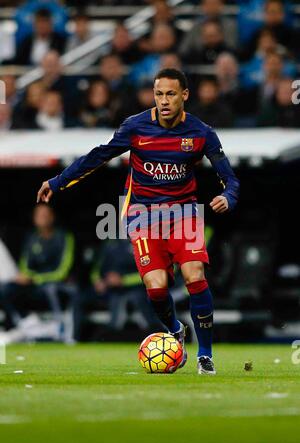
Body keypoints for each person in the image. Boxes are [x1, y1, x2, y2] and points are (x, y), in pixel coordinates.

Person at [37, 68, 240, 375]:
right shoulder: (136, 127)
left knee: (195, 274)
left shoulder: (201, 133)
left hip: (183, 215)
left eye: (171, 94)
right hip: (142, 216)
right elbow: (98, 157)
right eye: (159, 94)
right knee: (156, 288)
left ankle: (205, 355)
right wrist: (58, 182)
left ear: (184, 95)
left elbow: (230, 179)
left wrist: (229, 197)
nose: (164, 101)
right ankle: (175, 331)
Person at [1, 204, 76, 340]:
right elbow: (25, 265)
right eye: (39, 215)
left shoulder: (64, 237)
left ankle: (60, 330)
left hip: (57, 285)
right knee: (6, 288)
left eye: (46, 215)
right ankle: (26, 323)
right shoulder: (32, 238)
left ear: (52, 217)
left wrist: (34, 278)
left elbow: (62, 271)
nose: (43, 218)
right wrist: (25, 276)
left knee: (51, 288)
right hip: (35, 286)